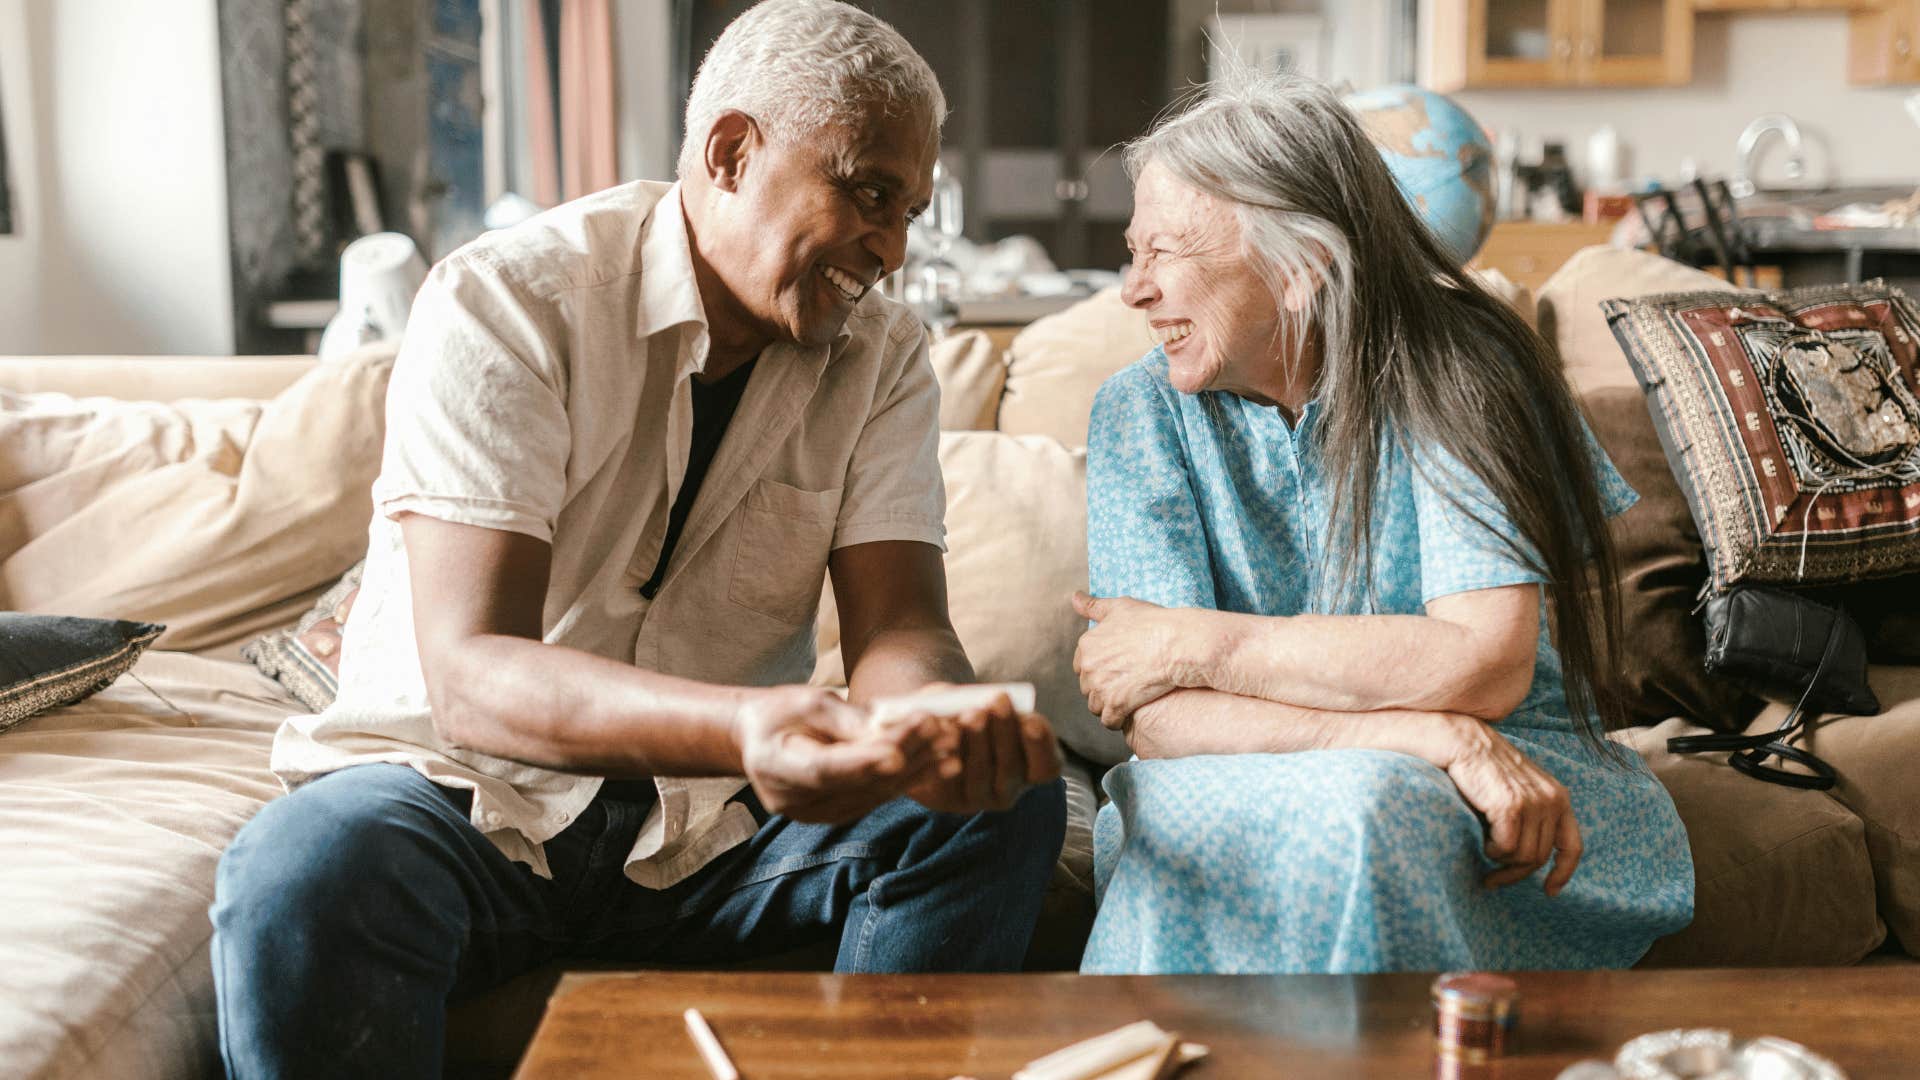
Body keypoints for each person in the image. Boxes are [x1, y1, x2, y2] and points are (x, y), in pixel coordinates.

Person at [210, 2, 1066, 1075]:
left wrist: (932, 723)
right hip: (467, 804)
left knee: (999, 805)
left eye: (909, 211)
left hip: (706, 835)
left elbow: (899, 623)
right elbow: (474, 675)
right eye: (868, 193)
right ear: (732, 152)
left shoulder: (883, 355)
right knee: (303, 867)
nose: (891, 248)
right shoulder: (508, 301)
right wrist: (753, 726)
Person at [1070, 70, 1692, 975]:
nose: (1135, 289)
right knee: (1350, 795)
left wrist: (1200, 643)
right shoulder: (1137, 414)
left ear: (1302, 269)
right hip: (1265, 774)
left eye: (1164, 253)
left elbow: (1480, 663)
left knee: (1367, 808)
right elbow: (1161, 723)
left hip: (1504, 761)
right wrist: (1425, 732)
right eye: (1134, 251)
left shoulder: (1461, 371)